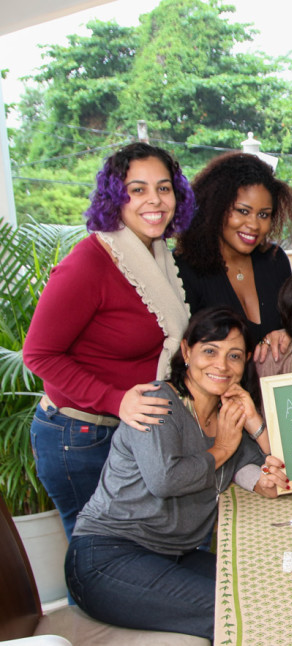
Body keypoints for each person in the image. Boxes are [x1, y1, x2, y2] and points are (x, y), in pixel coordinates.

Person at [65, 307, 287, 640]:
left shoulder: (228, 416)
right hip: (107, 558)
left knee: (271, 593)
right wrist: (223, 450)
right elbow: (165, 480)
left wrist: (253, 420)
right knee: (240, 615)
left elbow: (271, 465)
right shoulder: (157, 402)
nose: (222, 365)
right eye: (210, 351)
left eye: (235, 356)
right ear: (186, 351)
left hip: (173, 556)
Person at [23, 142, 195, 539]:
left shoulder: (156, 255)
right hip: (81, 436)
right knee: (97, 564)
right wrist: (115, 399)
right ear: (115, 197)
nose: (154, 200)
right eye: (137, 189)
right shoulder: (88, 263)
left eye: (164, 188)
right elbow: (38, 354)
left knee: (126, 562)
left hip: (128, 431)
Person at [174, 151, 292, 348]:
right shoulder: (182, 269)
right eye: (243, 211)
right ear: (215, 207)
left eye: (263, 215)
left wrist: (287, 334)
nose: (254, 225)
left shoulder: (274, 261)